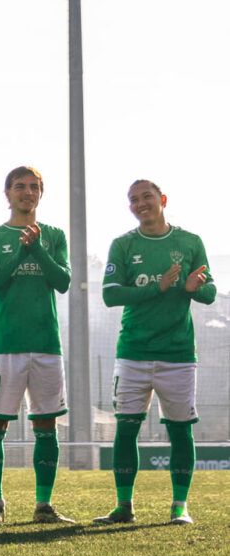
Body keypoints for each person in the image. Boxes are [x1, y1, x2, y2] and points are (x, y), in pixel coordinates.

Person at [95, 179, 215, 525]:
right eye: (133, 200)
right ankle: (123, 506)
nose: (140, 203)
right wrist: (158, 288)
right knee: (126, 429)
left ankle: (180, 506)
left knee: (180, 430)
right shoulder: (123, 244)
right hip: (132, 351)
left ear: (162, 199)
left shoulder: (189, 242)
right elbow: (111, 295)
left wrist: (195, 289)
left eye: (146, 197)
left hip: (177, 354)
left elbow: (209, 291)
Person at [0, 166, 73, 523]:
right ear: (7, 193)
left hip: (47, 345)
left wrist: (39, 249)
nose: (26, 192)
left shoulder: (56, 236)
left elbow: (63, 281)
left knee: (46, 426)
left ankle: (43, 505)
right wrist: (19, 253)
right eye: (19, 187)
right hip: (4, 346)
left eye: (33, 187)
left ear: (41, 194)